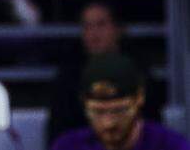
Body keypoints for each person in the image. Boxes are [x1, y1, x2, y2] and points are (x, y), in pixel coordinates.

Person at [48, 3, 162, 142]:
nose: (93, 33)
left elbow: (152, 129)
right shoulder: (68, 75)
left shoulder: (139, 72)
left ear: (118, 29)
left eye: (101, 24)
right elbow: (59, 131)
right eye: (87, 26)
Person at [51, 53, 190, 150]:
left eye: (119, 110)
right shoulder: (68, 146)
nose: (109, 124)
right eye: (98, 112)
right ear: (83, 104)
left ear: (139, 99)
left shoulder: (170, 146)